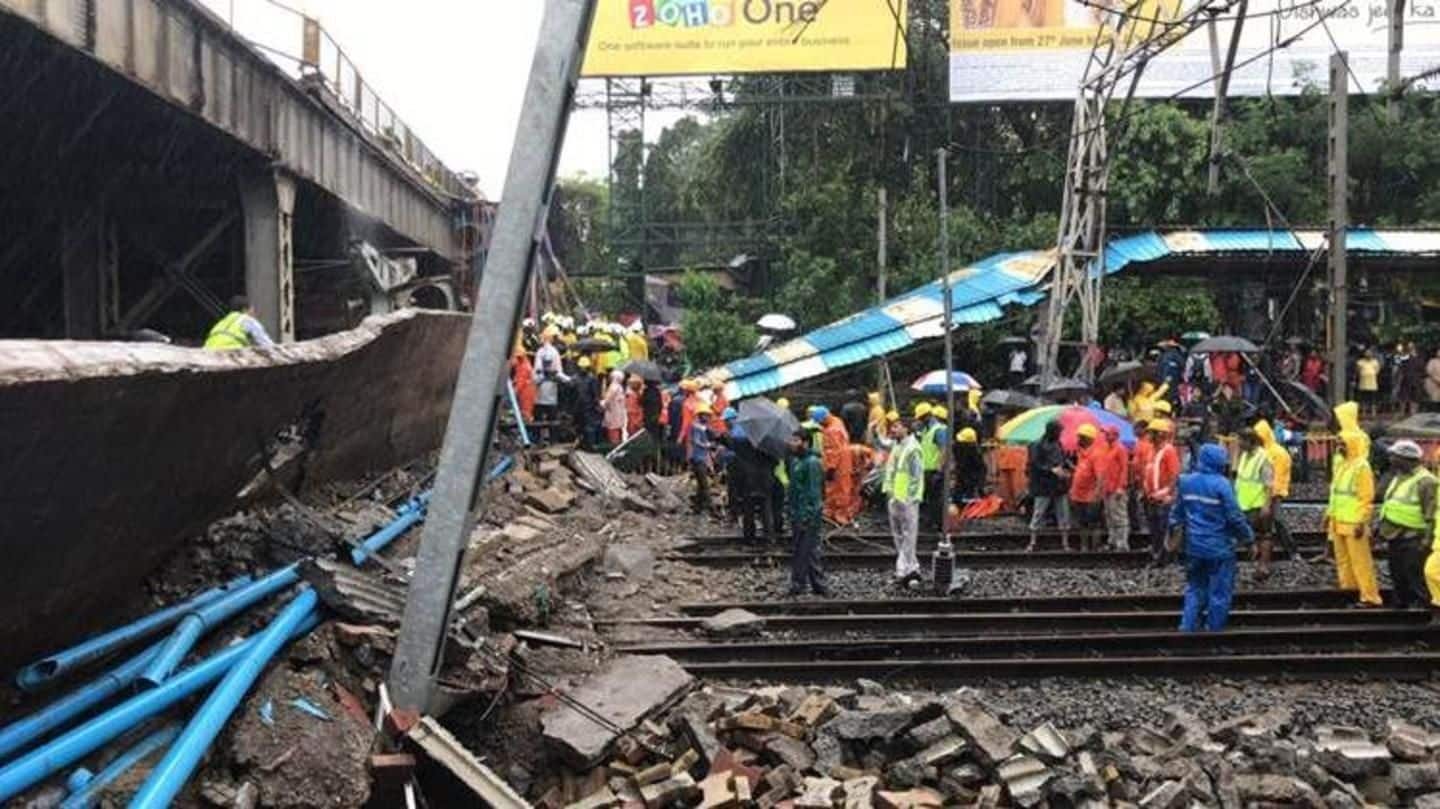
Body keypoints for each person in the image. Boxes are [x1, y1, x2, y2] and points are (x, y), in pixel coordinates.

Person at [1169, 443, 1255, 632]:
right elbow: (1235, 517)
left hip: (1193, 547)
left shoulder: (1186, 482)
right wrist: (1248, 539)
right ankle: (1214, 630)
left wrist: (1174, 536)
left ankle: (1187, 627)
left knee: (1194, 588)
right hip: (1219, 549)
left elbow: (1176, 515)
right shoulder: (1222, 485)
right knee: (1219, 592)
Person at [1376, 440, 1436, 609]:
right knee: (1397, 572)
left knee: (1414, 573)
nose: (1391, 459)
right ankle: (1403, 602)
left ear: (1406, 459)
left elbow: (1431, 514)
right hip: (1394, 534)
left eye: (1394, 456)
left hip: (1413, 536)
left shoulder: (1426, 481)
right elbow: (1390, 503)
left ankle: (1424, 605)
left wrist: (1426, 540)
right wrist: (1379, 527)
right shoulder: (1398, 477)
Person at [1328, 428, 1381, 606]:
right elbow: (1336, 493)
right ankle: (1349, 592)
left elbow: (1366, 498)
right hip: (1339, 520)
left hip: (1353, 521)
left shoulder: (1361, 466)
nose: (1339, 446)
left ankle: (1370, 597)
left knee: (1360, 562)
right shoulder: (1343, 464)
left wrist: (1361, 521)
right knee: (1343, 561)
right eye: (1339, 443)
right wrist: (1329, 515)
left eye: (1343, 443)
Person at [884, 415, 925, 586]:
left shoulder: (913, 448)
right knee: (899, 536)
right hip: (895, 496)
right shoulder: (897, 445)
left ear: (906, 429)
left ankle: (903, 571)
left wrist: (911, 496)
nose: (893, 430)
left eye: (897, 427)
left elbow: (916, 476)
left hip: (907, 498)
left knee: (908, 536)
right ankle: (911, 568)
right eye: (893, 427)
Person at [786, 427, 827, 596]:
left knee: (805, 549)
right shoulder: (797, 461)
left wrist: (808, 515)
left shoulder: (812, 463)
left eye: (796, 441)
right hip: (797, 512)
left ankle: (799, 583)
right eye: (792, 440)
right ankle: (817, 584)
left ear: (805, 442)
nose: (792, 444)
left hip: (807, 514)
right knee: (806, 549)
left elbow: (814, 492)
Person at [1233, 429, 1276, 581]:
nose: (1238, 444)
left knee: (1264, 535)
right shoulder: (1244, 455)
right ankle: (1257, 558)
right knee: (1251, 536)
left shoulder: (1262, 458)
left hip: (1257, 504)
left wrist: (1266, 505)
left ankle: (1263, 566)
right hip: (1243, 503)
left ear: (1250, 441)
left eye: (1240, 441)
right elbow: (1239, 477)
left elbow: (1269, 485)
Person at [1254, 419, 1296, 562]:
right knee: (1265, 524)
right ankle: (1265, 552)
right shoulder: (1262, 451)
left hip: (1274, 493)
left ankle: (1292, 550)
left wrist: (1271, 494)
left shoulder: (1278, 453)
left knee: (1278, 521)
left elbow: (1278, 476)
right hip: (1263, 493)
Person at [1027, 420, 1071, 551]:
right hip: (1043, 485)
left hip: (1059, 484)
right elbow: (1035, 464)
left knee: (1063, 513)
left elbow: (1062, 460)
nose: (1060, 434)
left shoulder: (1058, 444)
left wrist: (1066, 468)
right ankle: (1033, 542)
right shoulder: (1037, 445)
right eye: (1058, 431)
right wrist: (1051, 470)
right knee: (1039, 512)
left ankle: (1065, 542)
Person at [1143, 419, 1181, 565]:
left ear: (1160, 434)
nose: (1149, 436)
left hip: (1163, 498)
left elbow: (1174, 476)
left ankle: (1165, 557)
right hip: (1152, 497)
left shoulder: (1168, 451)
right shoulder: (1152, 450)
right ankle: (1157, 554)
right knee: (1155, 529)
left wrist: (1165, 494)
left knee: (1164, 529)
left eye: (1151, 433)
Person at [1070, 424, 1106, 552]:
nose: (1078, 439)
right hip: (1079, 495)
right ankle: (1084, 547)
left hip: (1091, 497)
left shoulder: (1096, 455)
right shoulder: (1081, 453)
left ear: (1088, 439)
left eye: (1081, 437)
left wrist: (1097, 495)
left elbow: (1100, 477)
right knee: (1082, 523)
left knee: (1094, 523)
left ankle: (1095, 548)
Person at [820, 408, 858, 524]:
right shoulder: (837, 421)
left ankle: (840, 515)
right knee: (838, 488)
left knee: (839, 489)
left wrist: (831, 468)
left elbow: (833, 451)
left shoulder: (831, 431)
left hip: (838, 464)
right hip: (844, 461)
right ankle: (831, 511)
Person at [533, 327, 569, 443]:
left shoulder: (539, 352)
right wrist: (569, 380)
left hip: (540, 390)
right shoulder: (554, 352)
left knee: (538, 417)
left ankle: (537, 439)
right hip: (551, 390)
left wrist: (539, 379)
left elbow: (537, 372)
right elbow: (558, 372)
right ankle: (553, 440)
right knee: (552, 417)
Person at [204, 295, 275, 349]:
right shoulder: (247, 319)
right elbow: (266, 343)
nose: (254, 313)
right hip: (230, 353)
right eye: (252, 309)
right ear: (245, 310)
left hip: (208, 354)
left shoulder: (222, 322)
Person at [920, 405, 948, 531]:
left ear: (928, 416)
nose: (920, 421)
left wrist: (940, 469)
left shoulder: (939, 430)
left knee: (936, 499)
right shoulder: (927, 430)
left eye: (921, 418)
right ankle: (930, 523)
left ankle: (939, 525)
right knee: (929, 498)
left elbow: (944, 450)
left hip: (935, 471)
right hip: (926, 470)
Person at [572, 357, 601, 449]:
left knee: (586, 427)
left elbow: (595, 393)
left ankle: (588, 445)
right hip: (584, 406)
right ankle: (587, 445)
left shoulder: (580, 378)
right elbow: (595, 393)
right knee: (585, 426)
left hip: (584, 406)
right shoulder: (590, 378)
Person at [954, 428, 987, 502]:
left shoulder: (973, 453)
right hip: (964, 480)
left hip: (971, 483)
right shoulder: (964, 451)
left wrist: (979, 487)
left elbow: (980, 469)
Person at [510, 350, 537, 425]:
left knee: (525, 410)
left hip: (526, 391)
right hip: (528, 389)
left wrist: (514, 392)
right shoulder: (523, 365)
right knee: (525, 409)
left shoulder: (523, 367)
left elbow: (520, 382)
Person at [601, 370, 628, 446]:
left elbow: (607, 400)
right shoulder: (620, 387)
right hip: (619, 413)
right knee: (619, 429)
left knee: (613, 430)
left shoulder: (613, 387)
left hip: (612, 412)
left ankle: (614, 446)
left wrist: (600, 404)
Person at [1356, 349, 1381, 415]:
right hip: (1363, 384)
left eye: (1369, 353)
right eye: (1367, 353)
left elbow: (1377, 371)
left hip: (1372, 384)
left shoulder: (1375, 362)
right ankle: (1364, 412)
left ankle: (1373, 413)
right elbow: (1358, 371)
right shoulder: (1360, 362)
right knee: (1364, 400)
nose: (1368, 354)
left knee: (1373, 400)